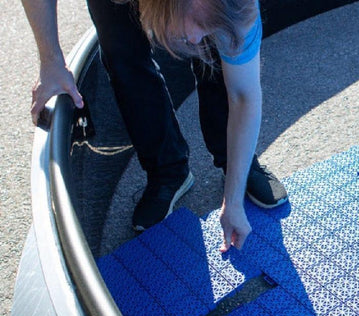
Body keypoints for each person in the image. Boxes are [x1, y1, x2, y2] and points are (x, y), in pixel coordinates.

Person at [21, 0, 288, 252]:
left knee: (217, 48)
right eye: (196, 25)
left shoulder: (239, 7)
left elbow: (243, 96)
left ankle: (237, 164)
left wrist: (233, 200)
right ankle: (167, 171)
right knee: (122, 52)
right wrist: (51, 60)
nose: (196, 39)